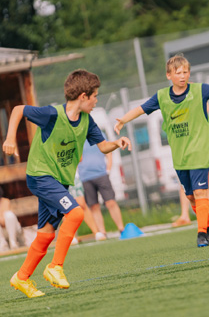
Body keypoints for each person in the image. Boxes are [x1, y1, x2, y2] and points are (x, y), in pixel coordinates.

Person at [2, 69, 131, 298]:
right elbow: (18, 109)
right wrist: (11, 137)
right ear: (83, 96)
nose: (96, 100)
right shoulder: (51, 115)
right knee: (76, 213)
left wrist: (117, 143)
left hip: (60, 182)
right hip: (41, 176)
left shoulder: (86, 121)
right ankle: (55, 267)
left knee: (46, 234)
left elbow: (102, 147)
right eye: (94, 96)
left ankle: (21, 277)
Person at [115, 54, 209, 248]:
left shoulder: (199, 90)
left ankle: (202, 233)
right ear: (168, 75)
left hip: (200, 150)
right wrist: (123, 120)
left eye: (185, 72)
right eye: (178, 73)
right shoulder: (162, 96)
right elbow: (140, 109)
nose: (182, 76)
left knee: (200, 192)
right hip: (181, 155)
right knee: (190, 196)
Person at [77, 132, 127, 240]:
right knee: (94, 206)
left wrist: (108, 169)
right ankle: (102, 233)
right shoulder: (76, 137)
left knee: (111, 202)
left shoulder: (98, 134)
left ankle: (121, 229)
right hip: (85, 177)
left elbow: (108, 153)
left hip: (101, 174)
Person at [172, 138, 209, 226]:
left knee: (208, 175)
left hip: (203, 138)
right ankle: (184, 216)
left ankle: (208, 213)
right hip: (183, 139)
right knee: (184, 176)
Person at [0, 186, 23, 251]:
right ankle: (2, 244)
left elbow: (4, 221)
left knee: (9, 215)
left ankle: (13, 242)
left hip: (12, 228)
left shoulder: (5, 201)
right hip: (1, 230)